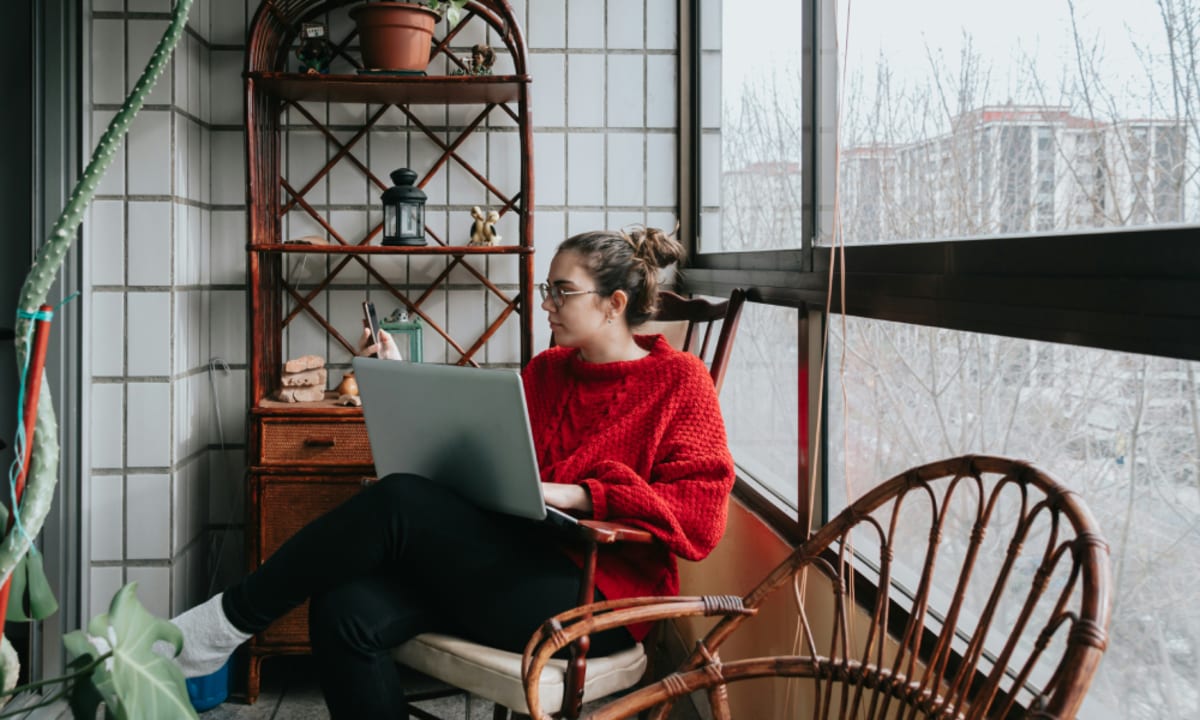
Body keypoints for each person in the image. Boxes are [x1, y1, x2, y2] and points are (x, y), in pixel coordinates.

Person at [166, 227, 737, 718]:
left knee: (399, 501)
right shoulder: (548, 371)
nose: (547, 305)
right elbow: (487, 448)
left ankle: (226, 624)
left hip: (597, 596)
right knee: (343, 609)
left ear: (614, 303)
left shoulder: (681, 381)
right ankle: (225, 628)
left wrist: (577, 494)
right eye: (547, 290)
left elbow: (700, 515)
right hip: (516, 564)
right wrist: (402, 379)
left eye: (562, 292)